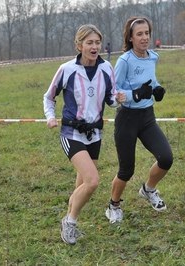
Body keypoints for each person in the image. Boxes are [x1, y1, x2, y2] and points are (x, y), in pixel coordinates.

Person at [43, 24, 126, 245]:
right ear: (79, 45)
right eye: (89, 42)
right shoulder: (67, 69)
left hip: (95, 134)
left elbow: (109, 99)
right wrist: (50, 117)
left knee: (82, 186)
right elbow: (49, 97)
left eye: (97, 42)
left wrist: (116, 99)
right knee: (92, 182)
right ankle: (68, 223)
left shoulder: (107, 67)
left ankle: (71, 220)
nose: (94, 46)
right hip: (71, 132)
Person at [105, 17, 173, 224]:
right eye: (139, 34)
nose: (144, 38)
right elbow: (113, 93)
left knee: (166, 158)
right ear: (131, 38)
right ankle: (113, 206)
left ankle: (148, 190)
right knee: (127, 169)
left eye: (147, 33)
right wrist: (135, 94)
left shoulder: (153, 57)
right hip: (127, 119)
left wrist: (157, 89)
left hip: (147, 117)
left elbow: (151, 81)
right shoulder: (125, 61)